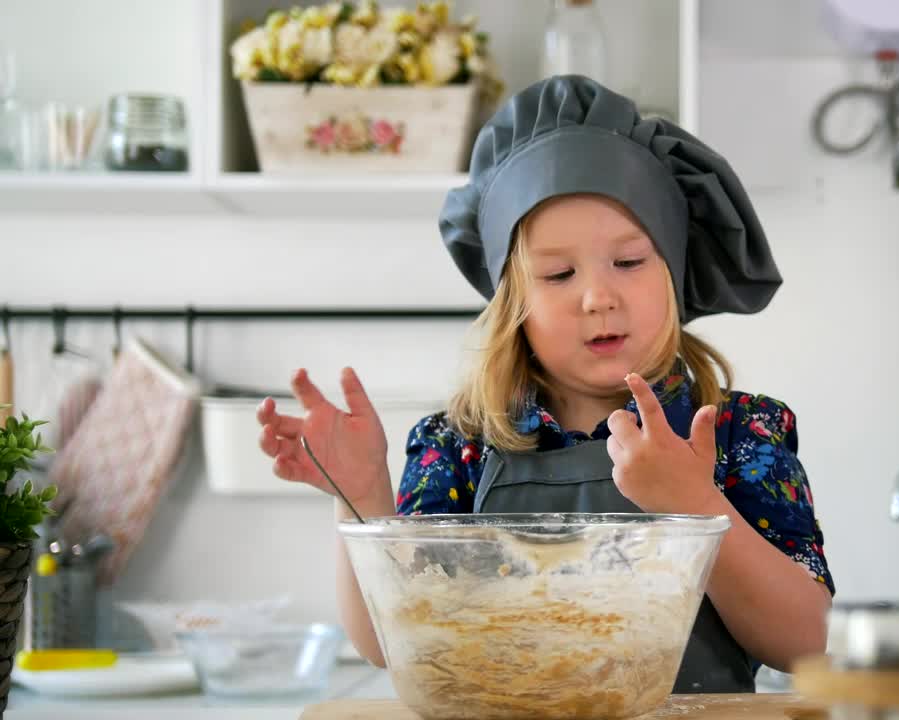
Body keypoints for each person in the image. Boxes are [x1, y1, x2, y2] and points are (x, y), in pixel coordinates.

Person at [256, 75, 833, 693]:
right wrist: (361, 494)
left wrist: (695, 503)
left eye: (630, 262)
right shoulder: (458, 447)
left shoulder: (739, 433)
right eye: (558, 273)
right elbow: (390, 644)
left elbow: (810, 645)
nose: (598, 296)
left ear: (674, 270)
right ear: (514, 305)